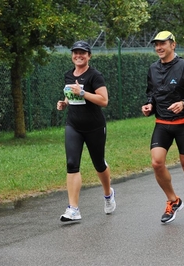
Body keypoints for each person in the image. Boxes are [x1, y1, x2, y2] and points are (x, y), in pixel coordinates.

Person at [141, 31, 184, 224]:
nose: (159, 48)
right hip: (162, 123)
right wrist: (149, 105)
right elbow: (151, 93)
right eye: (156, 45)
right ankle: (173, 200)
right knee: (156, 163)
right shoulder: (153, 69)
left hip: (183, 124)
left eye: (163, 44)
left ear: (173, 45)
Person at [57, 40, 116, 222]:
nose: (78, 56)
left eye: (82, 53)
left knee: (99, 163)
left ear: (89, 56)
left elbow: (103, 100)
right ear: (72, 56)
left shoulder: (94, 76)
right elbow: (70, 95)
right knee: (72, 163)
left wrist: (82, 93)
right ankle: (73, 209)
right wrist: (64, 103)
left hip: (95, 127)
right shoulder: (68, 75)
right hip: (74, 125)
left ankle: (108, 194)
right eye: (75, 52)